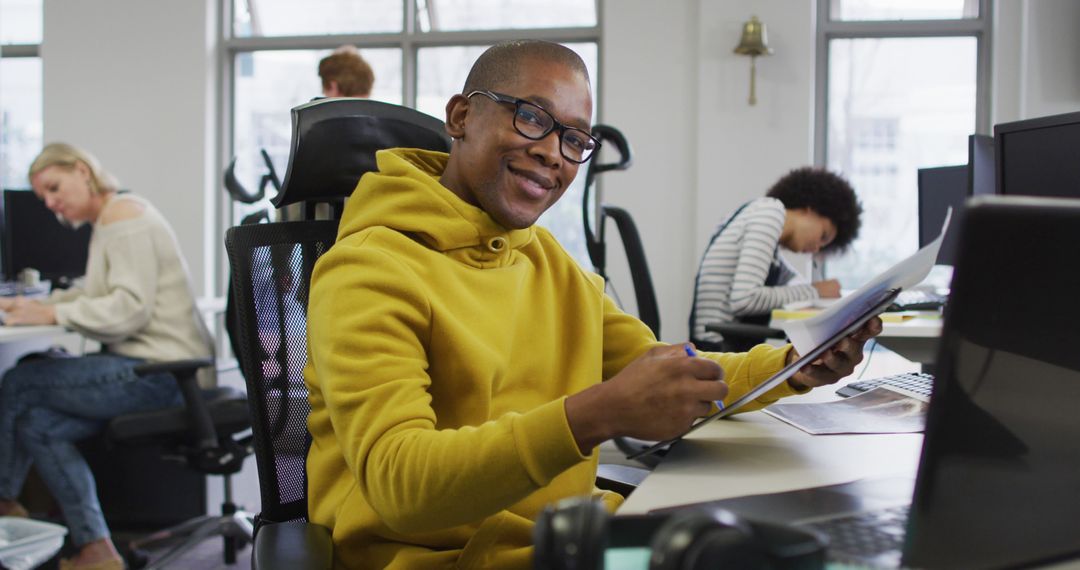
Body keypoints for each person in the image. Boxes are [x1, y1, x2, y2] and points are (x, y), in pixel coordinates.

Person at [304, 40, 881, 569]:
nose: (552, 153)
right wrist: (594, 415)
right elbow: (400, 484)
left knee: (810, 547)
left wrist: (794, 366)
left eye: (574, 139)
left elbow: (671, 369)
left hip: (566, 538)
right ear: (461, 117)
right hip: (444, 559)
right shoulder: (370, 269)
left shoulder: (546, 261)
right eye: (532, 117)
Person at [0, 143, 214, 570]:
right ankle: (97, 547)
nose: (50, 203)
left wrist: (52, 313)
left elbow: (128, 308)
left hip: (160, 373)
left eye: (54, 188)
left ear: (82, 171)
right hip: (159, 371)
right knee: (37, 424)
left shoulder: (124, 219)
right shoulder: (112, 219)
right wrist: (39, 304)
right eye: (43, 197)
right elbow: (99, 293)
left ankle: (4, 501)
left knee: (19, 382)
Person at [690, 167, 863, 352]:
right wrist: (816, 291)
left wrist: (818, 291)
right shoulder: (770, 213)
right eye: (823, 236)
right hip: (717, 350)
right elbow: (744, 299)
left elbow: (794, 283)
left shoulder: (764, 228)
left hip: (719, 347)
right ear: (811, 209)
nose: (816, 248)